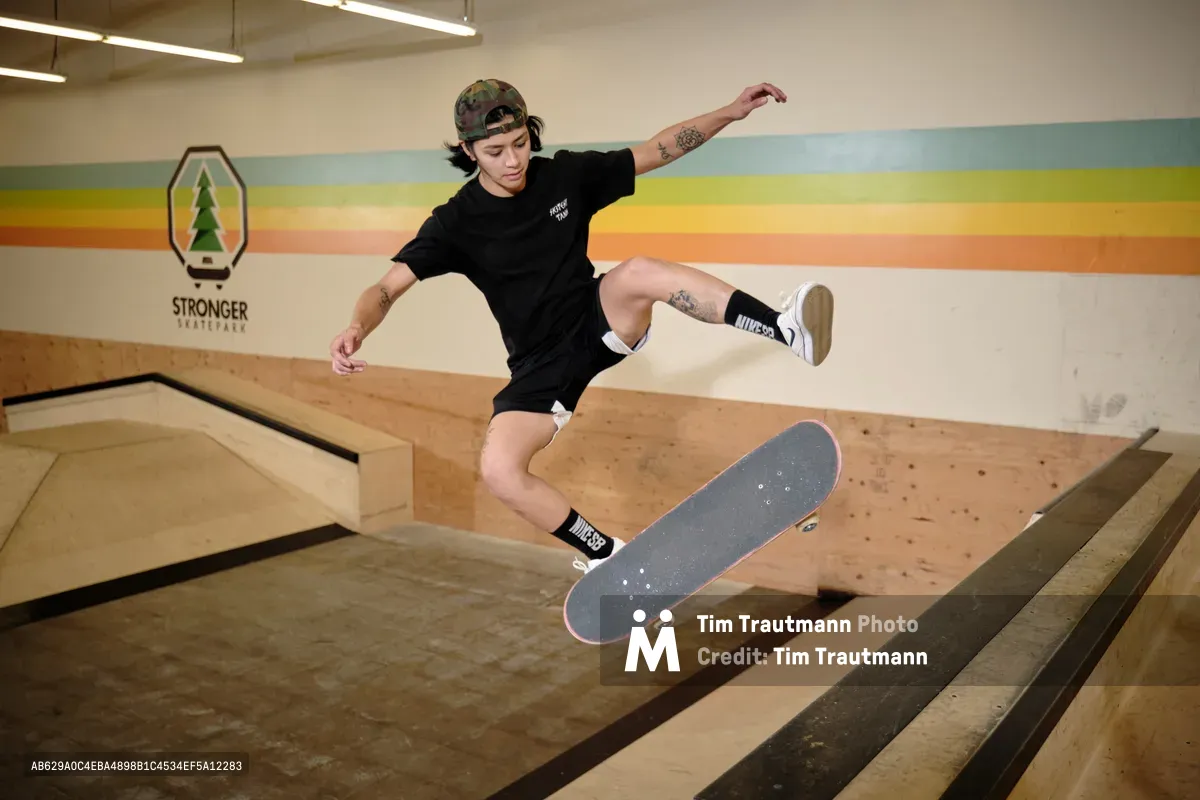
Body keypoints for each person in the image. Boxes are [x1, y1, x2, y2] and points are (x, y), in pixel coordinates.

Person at [329, 78, 834, 576]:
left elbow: (655, 151)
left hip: (598, 319)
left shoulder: (564, 176)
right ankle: (603, 553)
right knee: (499, 470)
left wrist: (729, 111)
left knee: (638, 271)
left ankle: (786, 328)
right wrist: (356, 326)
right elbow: (387, 288)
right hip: (538, 367)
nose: (513, 161)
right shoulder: (455, 222)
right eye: (496, 150)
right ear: (469, 151)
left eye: (522, 143)